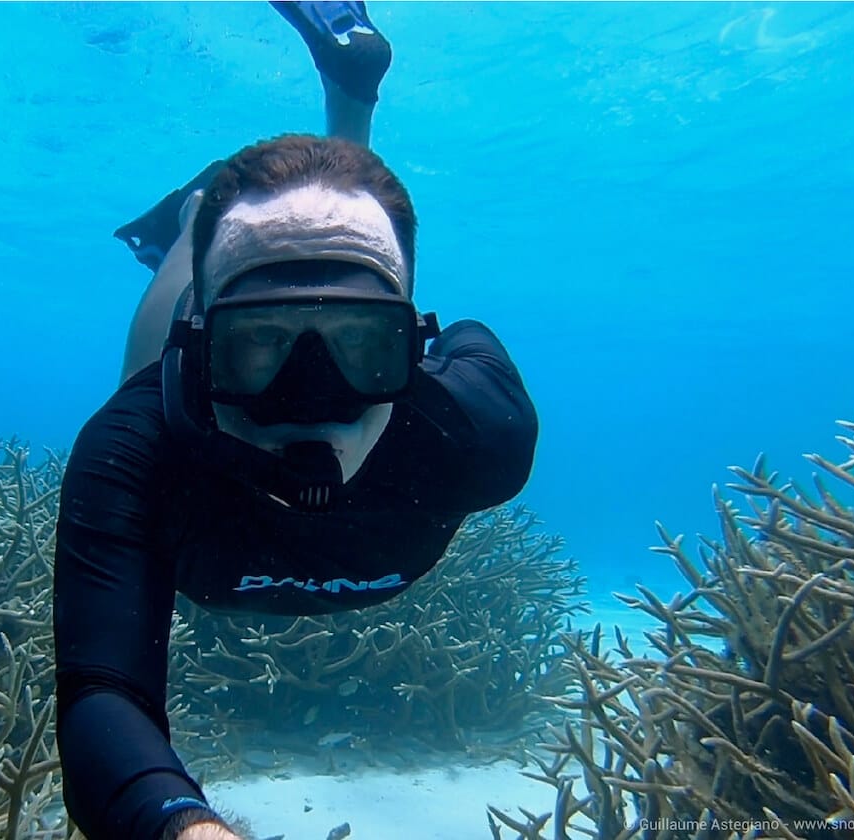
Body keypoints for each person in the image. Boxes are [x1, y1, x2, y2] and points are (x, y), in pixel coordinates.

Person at [54, 4, 538, 840]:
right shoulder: (134, 455)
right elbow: (102, 695)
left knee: (335, 243)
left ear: (410, 348)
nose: (310, 400)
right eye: (257, 349)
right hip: (192, 374)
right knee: (152, 363)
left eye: (362, 349)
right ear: (206, 348)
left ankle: (284, 209)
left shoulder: (476, 433)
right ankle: (202, 212)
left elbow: (467, 338)